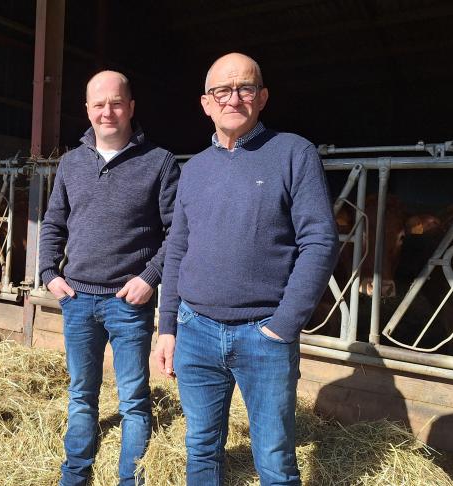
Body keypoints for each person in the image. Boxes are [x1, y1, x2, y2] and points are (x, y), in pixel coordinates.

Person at [153, 53, 339, 485]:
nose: (232, 98)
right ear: (206, 102)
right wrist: (167, 327)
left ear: (263, 97)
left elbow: (320, 240)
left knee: (273, 456)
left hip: (264, 334)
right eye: (222, 90)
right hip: (195, 330)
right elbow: (178, 248)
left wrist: (284, 325)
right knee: (200, 446)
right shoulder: (194, 168)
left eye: (245, 88)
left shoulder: (294, 153)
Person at [38, 70, 180, 486]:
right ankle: (75, 475)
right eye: (99, 104)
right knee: (82, 395)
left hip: (128, 301)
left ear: (131, 107)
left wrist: (150, 276)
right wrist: (49, 272)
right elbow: (52, 223)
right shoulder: (70, 162)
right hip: (77, 298)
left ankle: (128, 480)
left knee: (134, 399)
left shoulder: (160, 162)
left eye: (116, 103)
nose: (107, 112)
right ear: (87, 109)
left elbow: (178, 232)